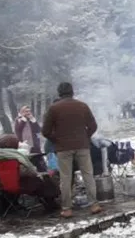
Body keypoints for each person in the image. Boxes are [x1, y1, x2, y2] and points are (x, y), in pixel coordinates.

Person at [42, 82, 101, 218]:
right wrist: (85, 137)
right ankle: (94, 205)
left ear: (59, 93)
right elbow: (93, 125)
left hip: (63, 148)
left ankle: (67, 209)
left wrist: (56, 139)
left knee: (66, 178)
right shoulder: (82, 106)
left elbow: (45, 131)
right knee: (88, 175)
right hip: (82, 146)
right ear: (72, 92)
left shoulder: (53, 109)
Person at [0, 134, 60, 211]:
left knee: (42, 179)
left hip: (5, 187)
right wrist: (35, 170)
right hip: (21, 186)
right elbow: (31, 173)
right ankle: (51, 204)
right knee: (45, 179)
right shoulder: (15, 158)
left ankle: (8, 206)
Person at [15, 106, 47, 172]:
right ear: (22, 112)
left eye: (29, 111)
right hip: (24, 144)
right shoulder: (18, 120)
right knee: (26, 161)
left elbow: (38, 129)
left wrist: (33, 120)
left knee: (39, 160)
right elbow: (18, 130)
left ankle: (43, 173)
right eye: (26, 111)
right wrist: (23, 120)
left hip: (34, 143)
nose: (28, 113)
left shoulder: (31, 119)